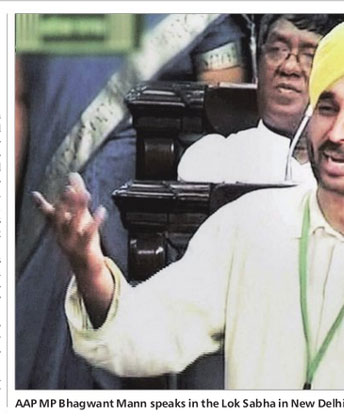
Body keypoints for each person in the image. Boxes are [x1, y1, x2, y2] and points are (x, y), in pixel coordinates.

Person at [36, 20, 344, 389]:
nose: (336, 132)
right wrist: (90, 268)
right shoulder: (248, 225)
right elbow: (145, 336)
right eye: (327, 108)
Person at [16, 13, 249, 389]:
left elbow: (228, 120)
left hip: (143, 222)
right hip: (40, 214)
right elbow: (17, 98)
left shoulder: (205, 18)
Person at [177, 14, 339, 184]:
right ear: (258, 65)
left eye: (310, 56)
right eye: (277, 50)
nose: (289, 67)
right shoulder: (212, 159)